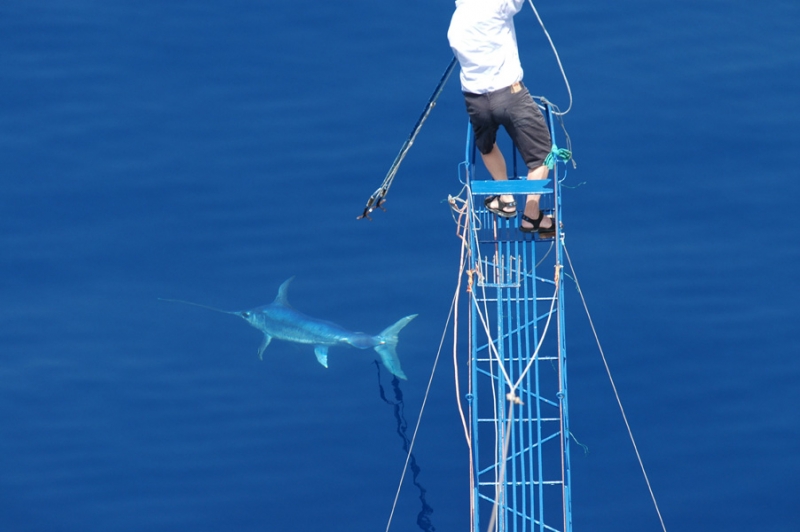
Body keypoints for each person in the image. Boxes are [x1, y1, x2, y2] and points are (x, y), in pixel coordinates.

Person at [447, 0, 554, 236]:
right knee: (543, 154)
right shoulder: (495, 5)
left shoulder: (456, 23)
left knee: (486, 145)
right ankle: (532, 215)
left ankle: (505, 197)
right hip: (509, 94)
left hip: (475, 100)